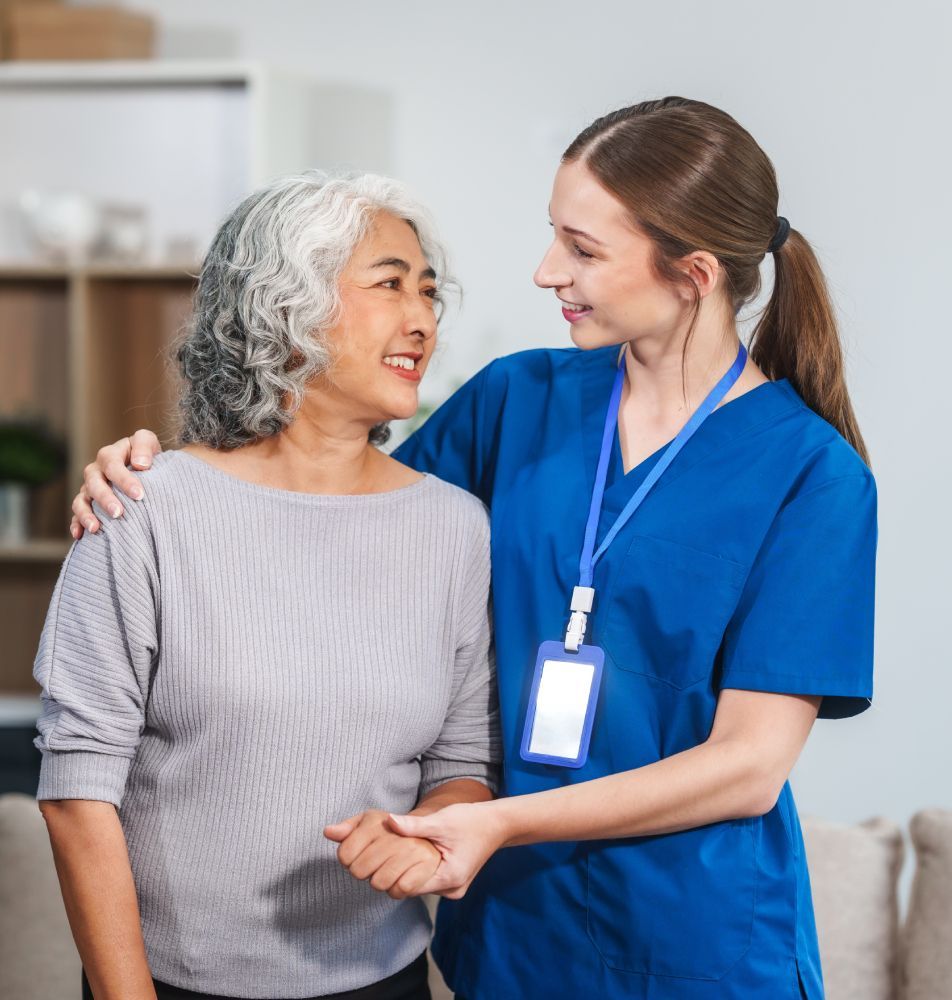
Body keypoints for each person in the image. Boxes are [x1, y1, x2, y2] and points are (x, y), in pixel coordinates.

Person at [69, 97, 877, 1000]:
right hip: (513, 935)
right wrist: (155, 471)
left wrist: (500, 823)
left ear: (691, 273)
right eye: (552, 236)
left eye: (582, 249)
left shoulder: (815, 476)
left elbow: (749, 767)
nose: (545, 271)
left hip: (697, 939)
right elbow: (319, 507)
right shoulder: (515, 401)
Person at [35, 171, 500, 1000]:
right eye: (390, 284)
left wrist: (421, 836)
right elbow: (76, 795)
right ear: (280, 308)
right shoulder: (141, 509)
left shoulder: (453, 526)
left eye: (429, 291)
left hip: (385, 981)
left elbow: (461, 764)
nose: (423, 319)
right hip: (169, 985)